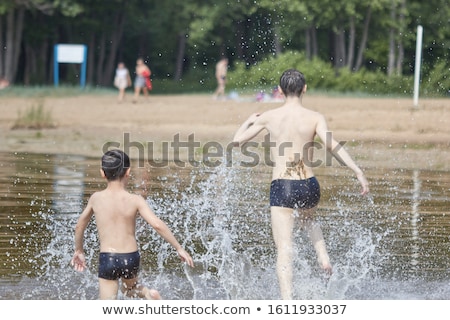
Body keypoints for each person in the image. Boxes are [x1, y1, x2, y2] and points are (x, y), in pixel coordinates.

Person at [232, 68, 369, 300]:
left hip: (282, 185)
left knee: (284, 251)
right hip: (309, 184)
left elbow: (236, 141)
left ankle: (287, 304)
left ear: (280, 90)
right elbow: (332, 145)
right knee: (309, 218)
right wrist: (358, 171)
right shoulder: (315, 117)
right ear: (304, 88)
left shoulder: (269, 116)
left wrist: (247, 121)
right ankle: (323, 257)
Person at [70, 149, 194, 300]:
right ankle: (148, 294)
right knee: (131, 289)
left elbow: (79, 226)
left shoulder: (96, 198)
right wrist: (179, 248)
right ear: (128, 172)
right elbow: (157, 224)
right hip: (130, 257)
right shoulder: (135, 200)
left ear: (102, 173)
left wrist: (79, 250)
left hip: (108, 257)